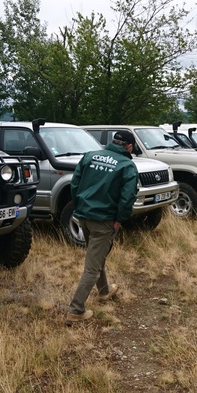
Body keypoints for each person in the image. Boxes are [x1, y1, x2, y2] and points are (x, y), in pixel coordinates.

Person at [66, 130, 139, 324]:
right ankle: (76, 310)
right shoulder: (127, 165)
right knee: (92, 268)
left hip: (84, 216)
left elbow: (74, 185)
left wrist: (79, 207)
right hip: (104, 220)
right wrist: (119, 219)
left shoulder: (89, 156)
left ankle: (104, 291)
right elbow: (127, 198)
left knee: (97, 257)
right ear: (129, 147)